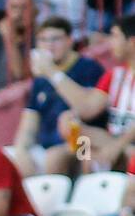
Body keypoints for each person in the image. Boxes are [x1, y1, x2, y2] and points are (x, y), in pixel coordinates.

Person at [9, 16, 107, 177]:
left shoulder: (88, 67)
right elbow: (28, 124)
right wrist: (21, 150)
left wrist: (52, 73)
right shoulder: (41, 79)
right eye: (43, 40)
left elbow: (87, 108)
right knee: (13, 159)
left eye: (55, 39)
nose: (49, 45)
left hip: (85, 139)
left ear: (69, 40)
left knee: (55, 157)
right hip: (47, 146)